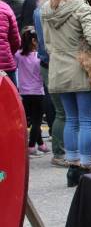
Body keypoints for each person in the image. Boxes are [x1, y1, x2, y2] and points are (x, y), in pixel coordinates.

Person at [41, 0, 91, 187]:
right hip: (82, 68)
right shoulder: (81, 7)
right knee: (87, 121)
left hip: (59, 70)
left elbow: (47, 44)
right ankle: (85, 169)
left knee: (71, 119)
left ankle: (72, 169)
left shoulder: (46, 8)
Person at [34, 0, 66, 166]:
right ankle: (60, 153)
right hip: (58, 63)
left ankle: (64, 152)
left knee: (61, 111)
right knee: (64, 112)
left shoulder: (39, 10)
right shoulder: (52, 10)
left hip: (47, 64)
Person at [15, 25, 49, 155]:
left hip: (23, 93)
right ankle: (30, 146)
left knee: (28, 120)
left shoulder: (18, 55)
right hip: (38, 93)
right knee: (36, 121)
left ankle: (40, 144)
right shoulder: (39, 57)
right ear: (34, 41)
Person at [0, 0, 21, 85]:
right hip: (5, 67)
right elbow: (15, 41)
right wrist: (7, 53)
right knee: (10, 97)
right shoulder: (5, 8)